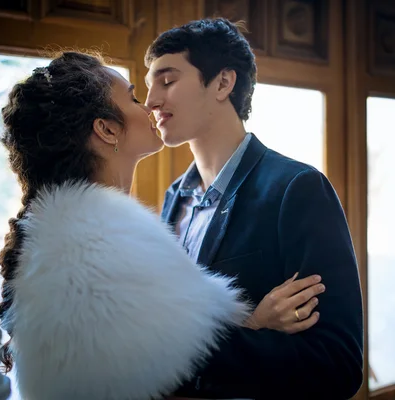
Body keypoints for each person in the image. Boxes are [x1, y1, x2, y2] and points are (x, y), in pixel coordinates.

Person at [0, 51, 323, 400]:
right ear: (107, 129)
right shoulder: (99, 244)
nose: (150, 104)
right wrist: (255, 324)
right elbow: (170, 373)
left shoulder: (70, 235)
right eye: (134, 97)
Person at [144, 18, 364, 399]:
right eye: (149, 87)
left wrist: (199, 346)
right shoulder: (174, 198)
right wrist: (252, 324)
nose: (151, 101)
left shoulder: (297, 189)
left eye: (167, 81)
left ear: (223, 82)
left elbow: (338, 364)